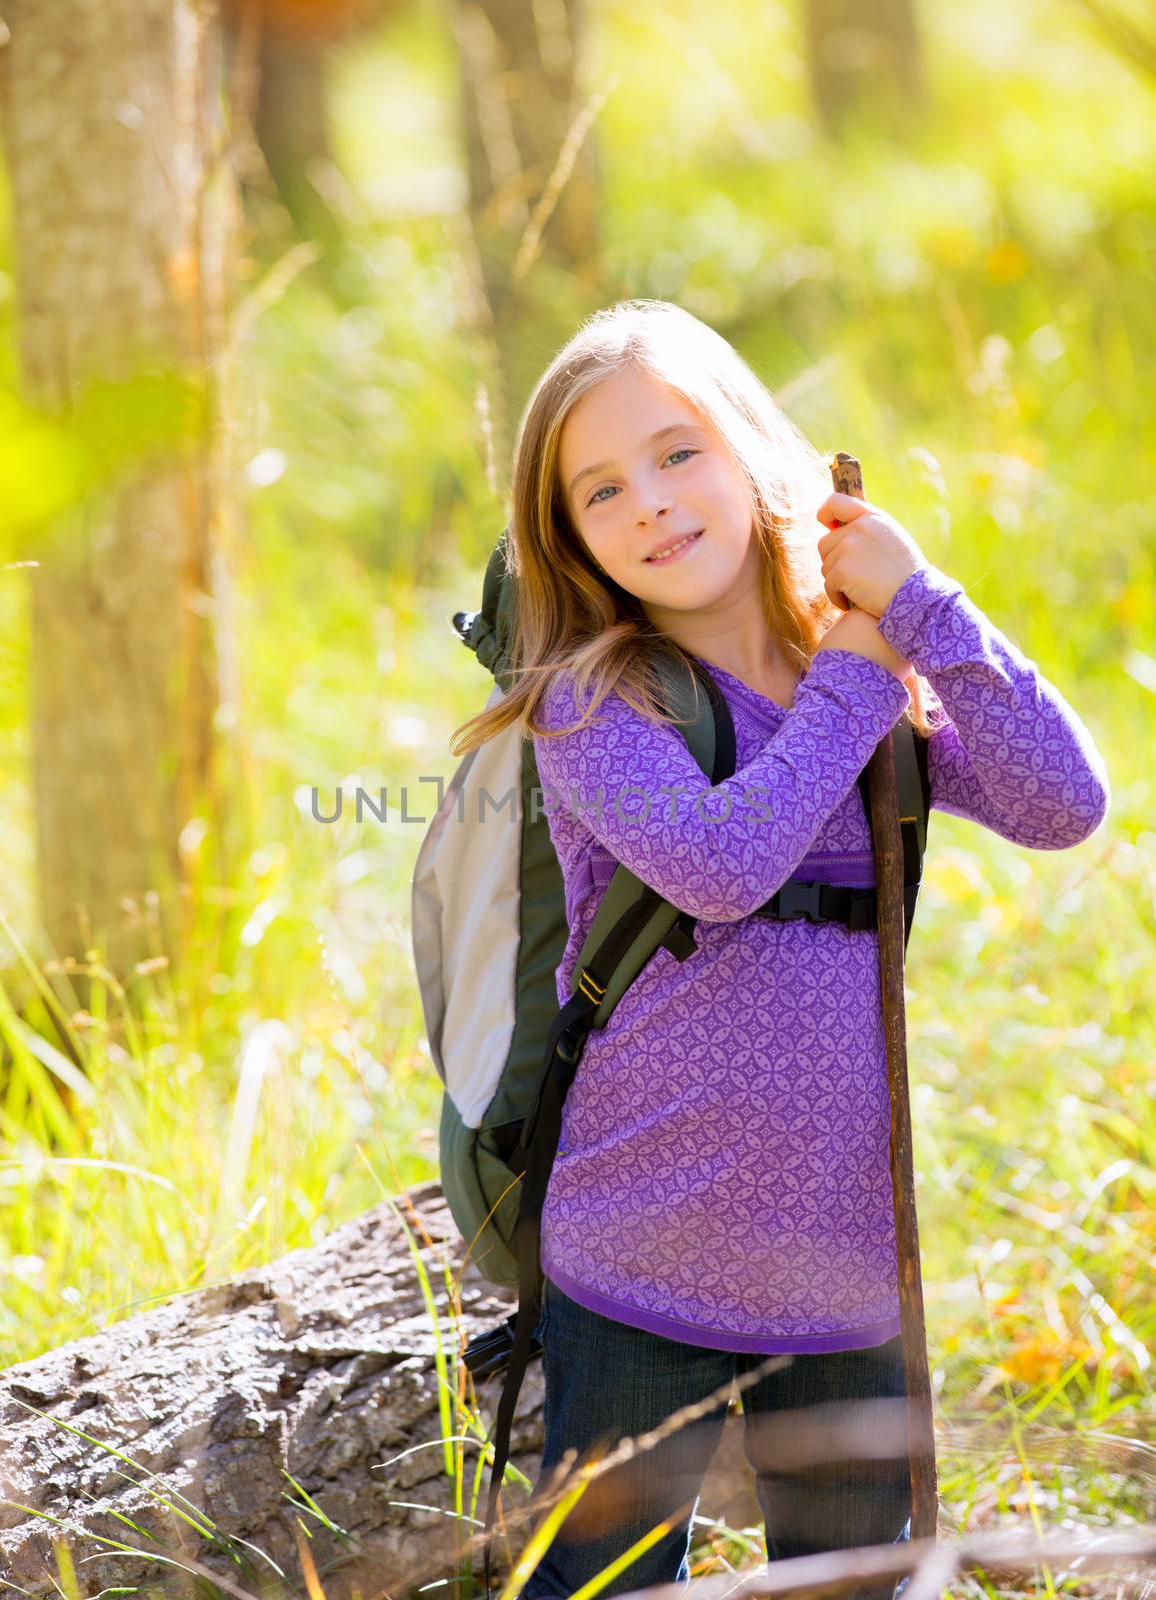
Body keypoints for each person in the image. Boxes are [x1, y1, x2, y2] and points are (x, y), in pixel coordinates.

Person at [448, 299, 1109, 1599]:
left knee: (853, 1586)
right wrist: (857, 683)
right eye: (599, 490)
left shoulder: (856, 663)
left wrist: (918, 607)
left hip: (838, 1266)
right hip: (636, 1262)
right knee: (597, 1586)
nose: (648, 500)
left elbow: (1061, 804)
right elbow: (723, 865)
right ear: (570, 538)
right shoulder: (593, 704)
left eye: (675, 451)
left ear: (752, 447)